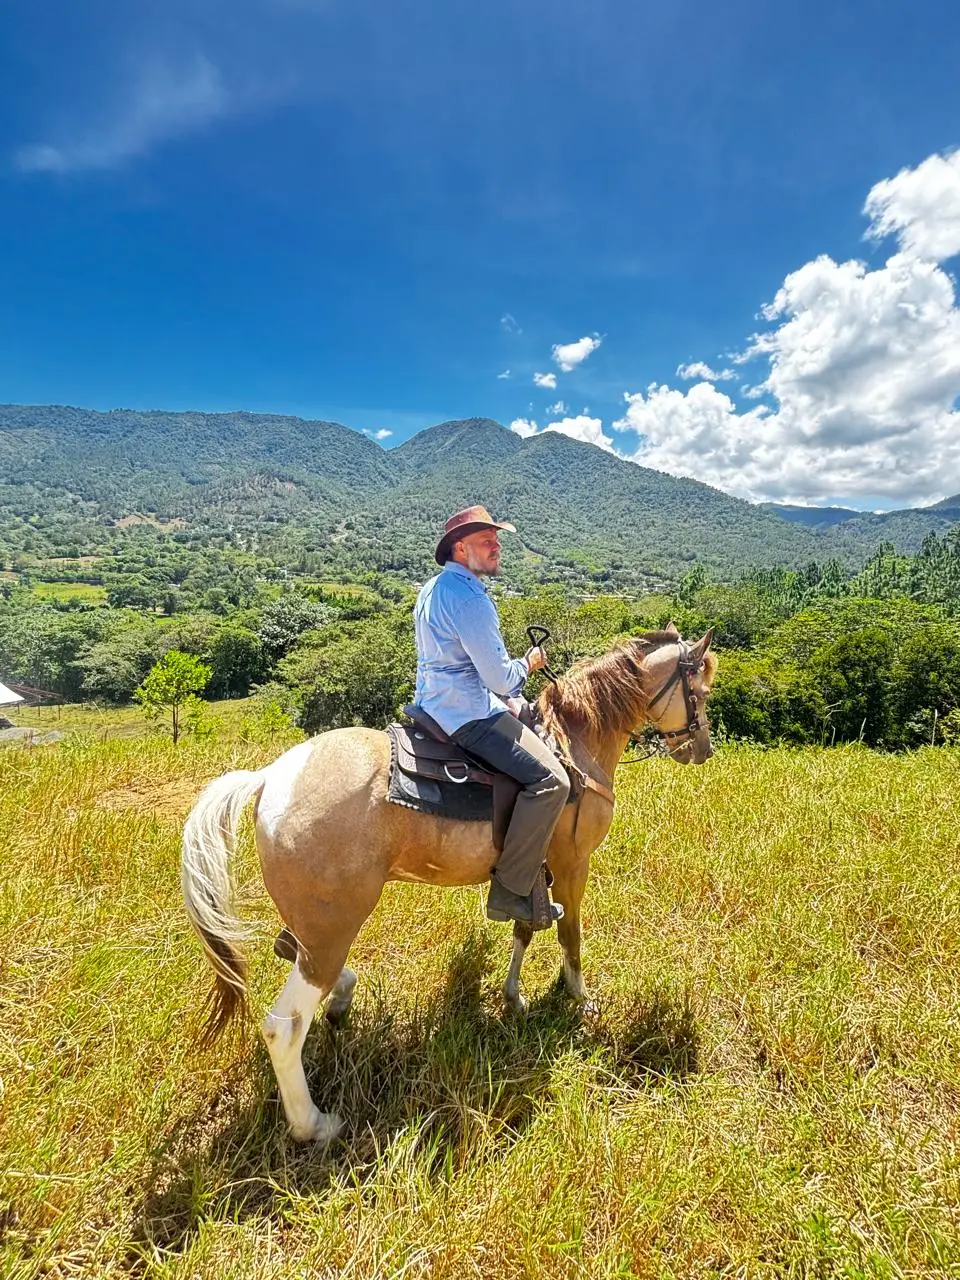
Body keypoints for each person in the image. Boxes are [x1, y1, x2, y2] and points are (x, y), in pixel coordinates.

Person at [413, 505, 570, 926]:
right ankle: (510, 891)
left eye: (497, 540)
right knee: (553, 781)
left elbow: (461, 665)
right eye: (487, 541)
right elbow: (500, 678)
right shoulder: (471, 599)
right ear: (461, 549)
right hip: (466, 715)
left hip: (434, 703)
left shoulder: (433, 587)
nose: (497, 547)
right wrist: (529, 664)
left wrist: (507, 700)